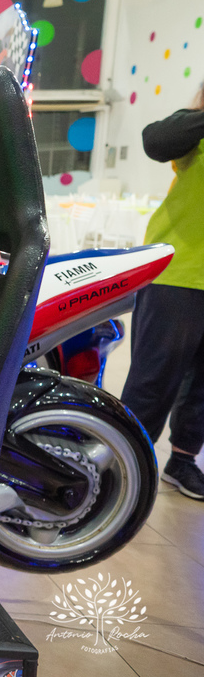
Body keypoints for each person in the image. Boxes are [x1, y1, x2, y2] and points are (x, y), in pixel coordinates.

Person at [121, 86, 204, 499]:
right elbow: (154, 140)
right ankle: (122, 460)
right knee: (154, 377)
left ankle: (183, 459)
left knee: (203, 386)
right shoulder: (190, 129)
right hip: (179, 272)